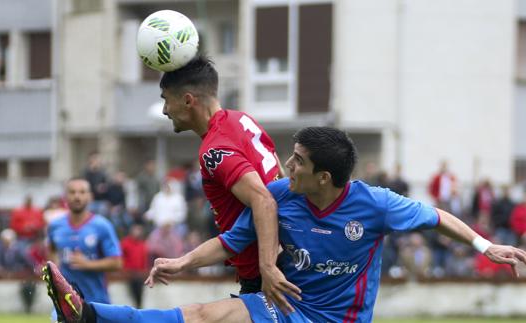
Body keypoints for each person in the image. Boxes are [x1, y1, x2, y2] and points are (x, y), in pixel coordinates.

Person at [42, 127, 526, 323]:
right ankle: (89, 315)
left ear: (325, 177)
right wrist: (181, 261)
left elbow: (436, 217)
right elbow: (233, 240)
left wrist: (485, 244)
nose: (285, 167)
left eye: (297, 161)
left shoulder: (375, 204)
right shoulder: (277, 196)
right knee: (202, 315)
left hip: (341, 321)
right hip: (287, 309)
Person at [154, 55, 289, 305]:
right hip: (285, 262)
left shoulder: (214, 150)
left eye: (166, 100)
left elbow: (264, 199)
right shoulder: (241, 119)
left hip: (268, 277)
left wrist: (268, 266)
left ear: (187, 100)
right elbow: (281, 177)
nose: (164, 110)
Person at [47, 178, 122, 309]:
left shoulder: (102, 226)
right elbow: (52, 249)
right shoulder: (55, 225)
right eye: (72, 192)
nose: (77, 196)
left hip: (96, 302)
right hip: (65, 304)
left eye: (82, 192)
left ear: (90, 196)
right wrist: (54, 269)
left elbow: (117, 262)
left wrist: (87, 264)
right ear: (65, 197)